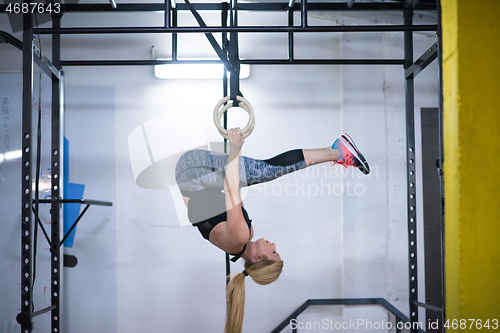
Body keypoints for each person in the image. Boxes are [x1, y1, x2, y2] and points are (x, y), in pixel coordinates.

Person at [175, 128, 369, 333]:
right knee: (261, 171)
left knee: (265, 171)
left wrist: (235, 148)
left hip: (193, 172)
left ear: (259, 259)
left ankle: (338, 151)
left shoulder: (240, 236)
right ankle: (335, 151)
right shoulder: (241, 240)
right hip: (193, 178)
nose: (274, 245)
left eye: (274, 252)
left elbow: (232, 188)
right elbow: (217, 197)